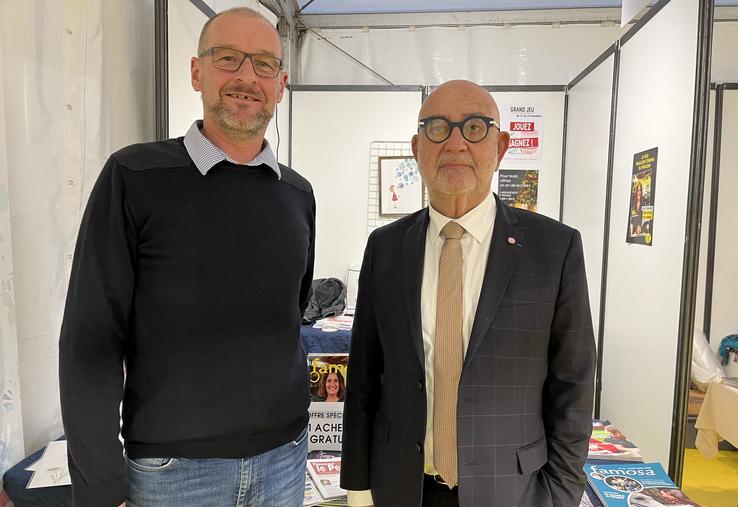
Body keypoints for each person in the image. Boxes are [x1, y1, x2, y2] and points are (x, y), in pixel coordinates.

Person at [59, 8, 315, 507]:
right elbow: (90, 340)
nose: (246, 76)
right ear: (197, 71)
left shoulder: (297, 194)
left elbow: (291, 310)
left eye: (264, 64)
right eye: (228, 59)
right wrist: (99, 483)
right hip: (173, 473)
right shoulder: (134, 177)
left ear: (281, 84)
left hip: (285, 458)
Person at [340, 80, 595, 507]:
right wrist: (359, 484)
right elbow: (365, 375)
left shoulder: (555, 248)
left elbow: (574, 384)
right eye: (438, 128)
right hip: (401, 486)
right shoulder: (385, 248)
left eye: (475, 127)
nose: (456, 143)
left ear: (500, 146)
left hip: (513, 491)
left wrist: (562, 493)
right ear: (417, 147)